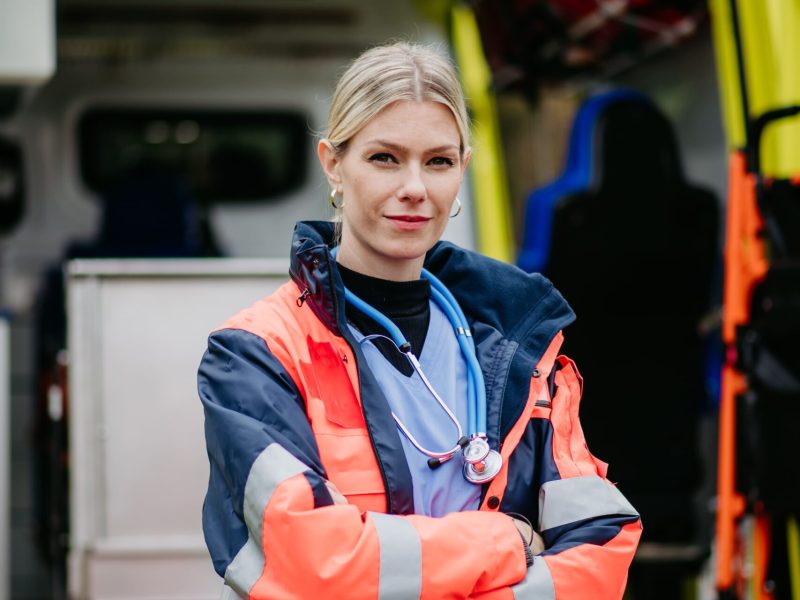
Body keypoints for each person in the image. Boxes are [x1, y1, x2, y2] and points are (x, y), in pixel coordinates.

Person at [198, 42, 641, 599]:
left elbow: (601, 548)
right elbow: (315, 565)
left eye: (438, 162)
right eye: (385, 158)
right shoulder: (255, 352)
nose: (415, 188)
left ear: (463, 169)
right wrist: (506, 540)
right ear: (333, 164)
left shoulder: (521, 343)